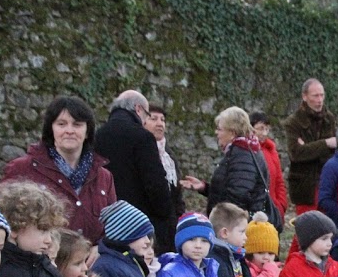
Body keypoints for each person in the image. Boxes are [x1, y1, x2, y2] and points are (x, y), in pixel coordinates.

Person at [2, 96, 116, 245]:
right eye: (61, 124)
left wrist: (101, 248)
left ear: (87, 131)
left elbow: (113, 227)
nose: (69, 130)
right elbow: (5, 223)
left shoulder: (104, 177)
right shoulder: (22, 169)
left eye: (77, 124)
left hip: (89, 265)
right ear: (51, 129)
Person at [93, 90, 173, 251]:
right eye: (147, 115)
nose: (145, 121)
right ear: (138, 109)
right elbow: (155, 183)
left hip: (107, 219)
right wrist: (166, 213)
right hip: (138, 221)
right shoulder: (142, 137)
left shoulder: (97, 135)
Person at [181, 107, 269, 218]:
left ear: (232, 132)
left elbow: (238, 198)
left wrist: (222, 223)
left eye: (219, 129)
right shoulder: (242, 151)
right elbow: (229, 190)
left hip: (233, 226)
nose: (216, 133)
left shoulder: (242, 155)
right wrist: (205, 187)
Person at [282, 79, 338, 215]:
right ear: (304, 97)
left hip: (327, 181)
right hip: (305, 187)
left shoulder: (329, 119)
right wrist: (325, 144)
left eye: (322, 95)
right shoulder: (293, 122)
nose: (319, 100)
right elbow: (296, 154)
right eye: (315, 96)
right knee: (307, 228)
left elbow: (336, 147)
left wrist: (309, 148)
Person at [144, 106, 189, 253]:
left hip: (170, 227)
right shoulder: (139, 151)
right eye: (154, 118)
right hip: (148, 224)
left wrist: (179, 216)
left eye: (162, 120)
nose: (160, 123)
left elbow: (176, 192)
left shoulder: (168, 156)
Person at [250, 111, 288, 222]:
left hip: (273, 208)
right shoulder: (248, 151)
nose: (265, 133)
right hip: (256, 210)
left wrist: (281, 205)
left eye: (267, 129)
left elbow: (279, 180)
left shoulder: (271, 150)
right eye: (261, 128)